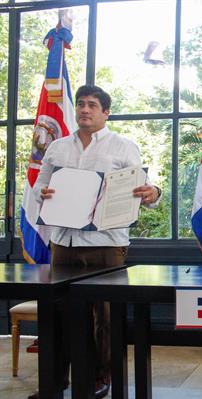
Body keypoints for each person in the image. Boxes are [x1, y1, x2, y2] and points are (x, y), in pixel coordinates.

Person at [29, 85, 161, 399]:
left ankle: (101, 378)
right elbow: (39, 187)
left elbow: (142, 190)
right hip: (64, 241)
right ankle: (57, 380)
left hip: (107, 243)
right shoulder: (58, 147)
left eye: (92, 105)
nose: (85, 110)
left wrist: (152, 193)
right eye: (81, 104)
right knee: (59, 314)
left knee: (106, 316)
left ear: (106, 112)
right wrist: (43, 194)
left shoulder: (123, 147)